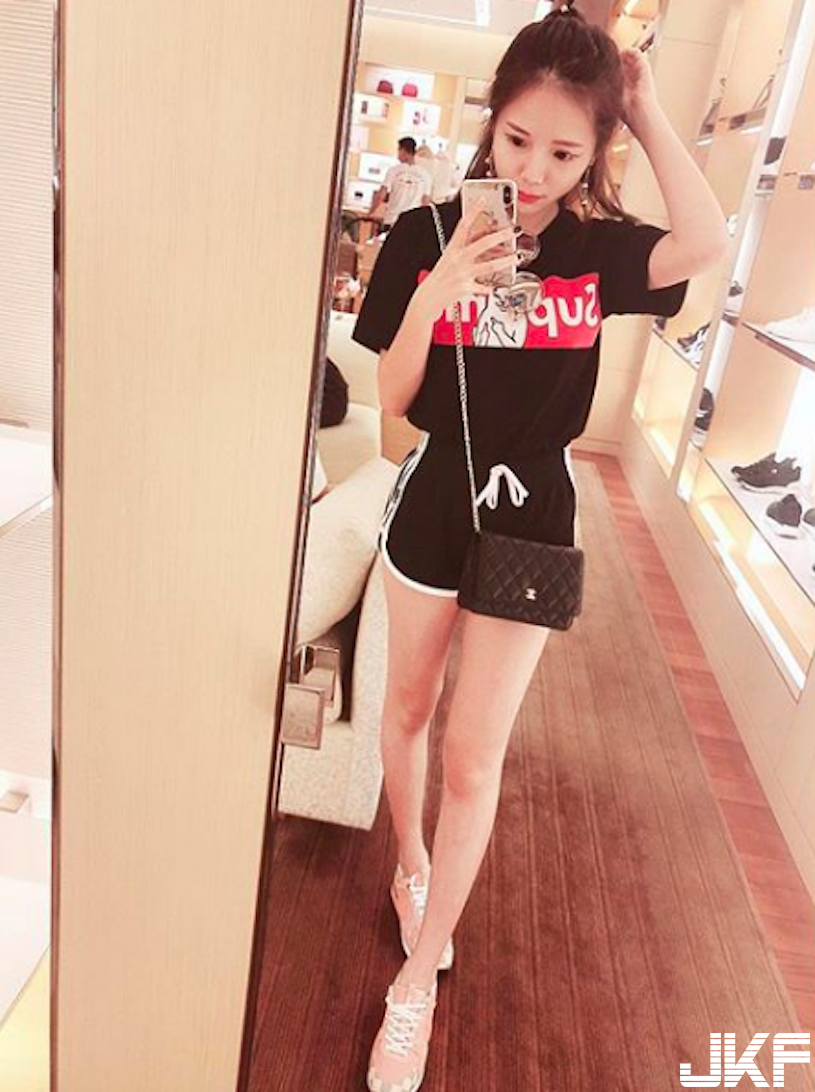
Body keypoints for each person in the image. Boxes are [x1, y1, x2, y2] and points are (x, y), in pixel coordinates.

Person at [351, 5, 728, 1090]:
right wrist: (438, 290)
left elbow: (704, 244)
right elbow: (393, 396)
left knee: (474, 757)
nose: (532, 171)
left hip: (533, 514)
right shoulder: (423, 233)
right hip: (433, 500)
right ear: (492, 120)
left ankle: (415, 983)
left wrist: (643, 110)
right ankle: (411, 866)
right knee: (406, 711)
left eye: (564, 153)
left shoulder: (594, 251)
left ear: (593, 152)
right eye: (518, 139)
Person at [371, 136, 433, 231]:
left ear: (403, 151)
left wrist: (371, 212)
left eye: (399, 150)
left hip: (392, 219)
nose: (398, 154)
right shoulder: (425, 175)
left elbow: (381, 195)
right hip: (412, 222)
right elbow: (425, 203)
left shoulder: (393, 171)